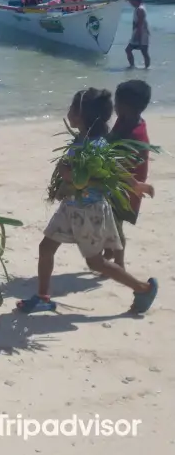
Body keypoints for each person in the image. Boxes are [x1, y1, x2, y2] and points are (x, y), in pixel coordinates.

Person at [17, 88, 158, 315]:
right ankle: (43, 297)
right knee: (46, 248)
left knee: (95, 263)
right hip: (70, 207)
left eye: (72, 109)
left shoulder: (97, 145)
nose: (68, 113)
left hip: (88, 210)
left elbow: (111, 171)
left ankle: (142, 288)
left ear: (82, 115)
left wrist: (135, 185)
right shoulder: (82, 139)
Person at [103, 80, 152, 267]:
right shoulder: (124, 120)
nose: (114, 106)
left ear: (126, 106)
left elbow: (124, 164)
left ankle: (120, 265)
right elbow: (111, 141)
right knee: (108, 222)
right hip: (114, 183)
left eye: (117, 102)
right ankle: (108, 253)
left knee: (115, 227)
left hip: (127, 188)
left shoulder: (137, 135)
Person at [126, 0, 150, 69]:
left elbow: (140, 24)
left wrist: (138, 37)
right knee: (128, 50)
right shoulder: (140, 6)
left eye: (132, 1)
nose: (131, 2)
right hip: (140, 32)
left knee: (143, 52)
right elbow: (131, 1)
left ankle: (145, 68)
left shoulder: (140, 10)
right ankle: (133, 66)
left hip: (141, 33)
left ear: (136, 1)